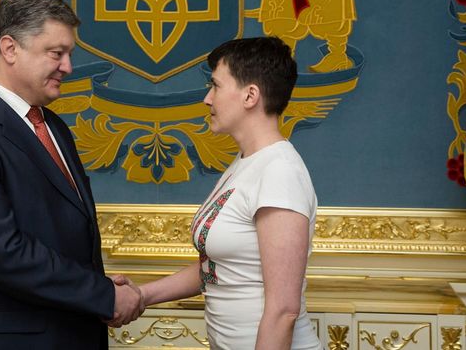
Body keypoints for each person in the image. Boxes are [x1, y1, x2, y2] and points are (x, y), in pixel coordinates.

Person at [0, 0, 142, 350]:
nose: (68, 67)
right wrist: (104, 295)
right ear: (10, 49)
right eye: (57, 53)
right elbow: (3, 252)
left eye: (69, 54)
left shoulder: (54, 127)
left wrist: (99, 294)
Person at [119, 36, 322, 349]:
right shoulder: (246, 163)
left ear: (250, 95)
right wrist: (142, 295)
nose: (207, 99)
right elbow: (219, 268)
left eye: (215, 86)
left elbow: (284, 311)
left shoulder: (279, 171)